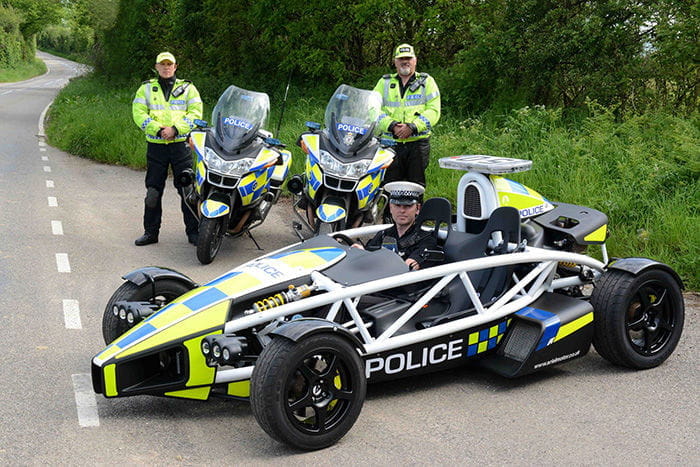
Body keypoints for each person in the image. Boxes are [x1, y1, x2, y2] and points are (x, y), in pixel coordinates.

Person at [132, 51, 203, 246]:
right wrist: (157, 129)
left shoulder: (188, 88)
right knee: (153, 192)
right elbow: (138, 113)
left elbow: (196, 113)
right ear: (156, 67)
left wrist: (176, 129)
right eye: (162, 64)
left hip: (180, 146)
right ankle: (150, 233)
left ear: (175, 66)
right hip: (156, 147)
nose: (166, 67)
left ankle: (194, 232)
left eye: (169, 64)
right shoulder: (146, 89)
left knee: (187, 191)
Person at [373, 43, 441, 187]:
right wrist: (391, 126)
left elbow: (434, 110)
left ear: (415, 60)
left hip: (417, 145)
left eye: (408, 58)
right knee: (388, 187)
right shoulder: (384, 82)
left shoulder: (427, 82)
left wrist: (413, 127)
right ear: (395, 62)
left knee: (415, 187)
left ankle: (417, 210)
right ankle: (388, 211)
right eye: (401, 58)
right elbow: (372, 109)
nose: (405, 61)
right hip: (389, 145)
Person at [357, 181, 439, 271]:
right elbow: (366, 257)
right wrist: (359, 252)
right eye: (397, 205)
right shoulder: (383, 234)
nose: (402, 210)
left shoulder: (427, 240)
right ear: (390, 208)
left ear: (417, 209)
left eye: (408, 206)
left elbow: (406, 268)